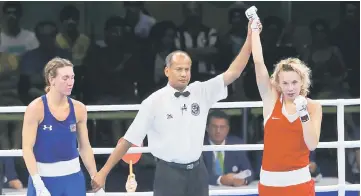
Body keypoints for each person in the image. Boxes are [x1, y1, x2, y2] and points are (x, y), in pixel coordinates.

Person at [91, 20, 259, 196]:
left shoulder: (201, 91)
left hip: (198, 171)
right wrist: (103, 172)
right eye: (179, 69)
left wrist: (249, 38)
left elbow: (234, 72)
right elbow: (128, 140)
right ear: (167, 71)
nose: (184, 74)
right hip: (168, 173)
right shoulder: (153, 102)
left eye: (187, 69)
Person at [248, 7, 322, 196]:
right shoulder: (271, 100)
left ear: (302, 82)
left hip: (300, 184)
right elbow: (258, 63)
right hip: (269, 184)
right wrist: (254, 31)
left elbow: (312, 144)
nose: (290, 87)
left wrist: (303, 113)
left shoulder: (313, 107)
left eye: (294, 82)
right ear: (278, 84)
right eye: (286, 83)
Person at [22, 57, 101, 196]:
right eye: (65, 78)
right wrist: (37, 181)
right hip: (43, 178)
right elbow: (27, 148)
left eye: (72, 77)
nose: (70, 82)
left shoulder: (79, 108)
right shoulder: (35, 109)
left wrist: (95, 178)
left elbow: (85, 147)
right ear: (51, 79)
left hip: (73, 179)